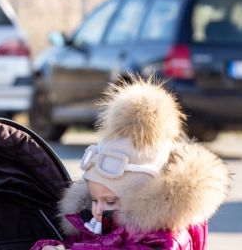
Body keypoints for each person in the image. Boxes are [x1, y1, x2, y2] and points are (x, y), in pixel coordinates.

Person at [31, 78, 231, 250]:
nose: (97, 209)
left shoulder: (168, 236)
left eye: (109, 201)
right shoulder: (98, 222)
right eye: (94, 200)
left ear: (141, 198)